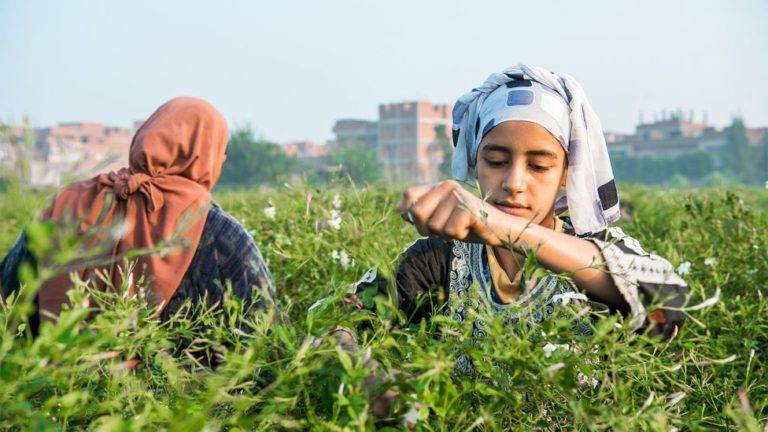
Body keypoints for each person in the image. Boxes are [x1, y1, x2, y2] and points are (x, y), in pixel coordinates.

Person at [345, 64, 689, 341]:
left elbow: (669, 307)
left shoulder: (594, 252)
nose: (514, 183)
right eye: (496, 161)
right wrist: (373, 385)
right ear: (475, 163)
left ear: (567, 174)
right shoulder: (438, 259)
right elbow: (338, 323)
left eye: (539, 166)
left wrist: (506, 228)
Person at [0, 97, 276, 337]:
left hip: (53, 387)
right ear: (207, 156)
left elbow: (8, 294)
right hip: (175, 396)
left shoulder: (67, 203)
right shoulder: (219, 231)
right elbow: (266, 332)